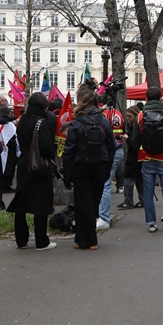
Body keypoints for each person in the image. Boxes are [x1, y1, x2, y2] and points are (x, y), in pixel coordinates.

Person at [62, 86, 118, 250]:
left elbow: (69, 149)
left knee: (82, 202)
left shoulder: (76, 121)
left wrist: (67, 172)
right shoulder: (103, 120)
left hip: (81, 165)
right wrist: (108, 167)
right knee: (94, 201)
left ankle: (83, 239)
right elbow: (111, 146)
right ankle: (89, 239)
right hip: (100, 164)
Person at [130, 87, 163, 234]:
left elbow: (134, 140)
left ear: (146, 99)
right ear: (160, 99)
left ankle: (151, 223)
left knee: (148, 192)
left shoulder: (140, 116)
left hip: (147, 158)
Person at [7, 93, 57, 250]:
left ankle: (21, 240)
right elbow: (46, 147)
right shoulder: (41, 122)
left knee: (22, 202)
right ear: (43, 106)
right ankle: (41, 241)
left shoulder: (22, 120)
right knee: (40, 203)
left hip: (23, 163)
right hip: (38, 165)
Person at [118, 106, 145, 210]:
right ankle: (142, 200)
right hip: (138, 156)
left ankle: (128, 201)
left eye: (130, 116)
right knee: (139, 178)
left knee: (129, 178)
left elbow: (135, 143)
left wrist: (127, 138)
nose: (128, 118)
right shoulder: (135, 125)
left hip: (134, 156)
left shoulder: (136, 127)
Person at [0, 106, 19, 193]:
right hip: (10, 149)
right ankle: (6, 185)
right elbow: (15, 137)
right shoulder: (10, 125)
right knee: (9, 167)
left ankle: (0, 184)